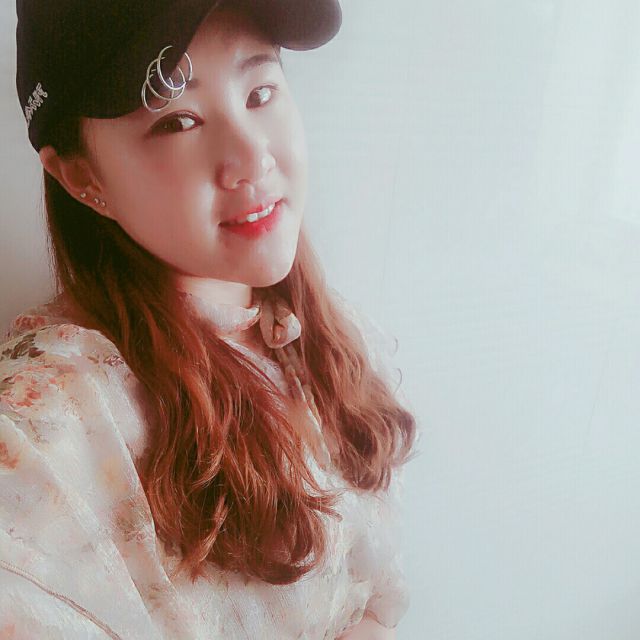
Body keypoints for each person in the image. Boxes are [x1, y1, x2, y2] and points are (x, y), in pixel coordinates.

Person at [1, 0, 420, 637]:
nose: (252, 158)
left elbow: (374, 597)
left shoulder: (335, 338)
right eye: (177, 120)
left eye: (260, 92)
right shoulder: (51, 429)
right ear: (83, 176)